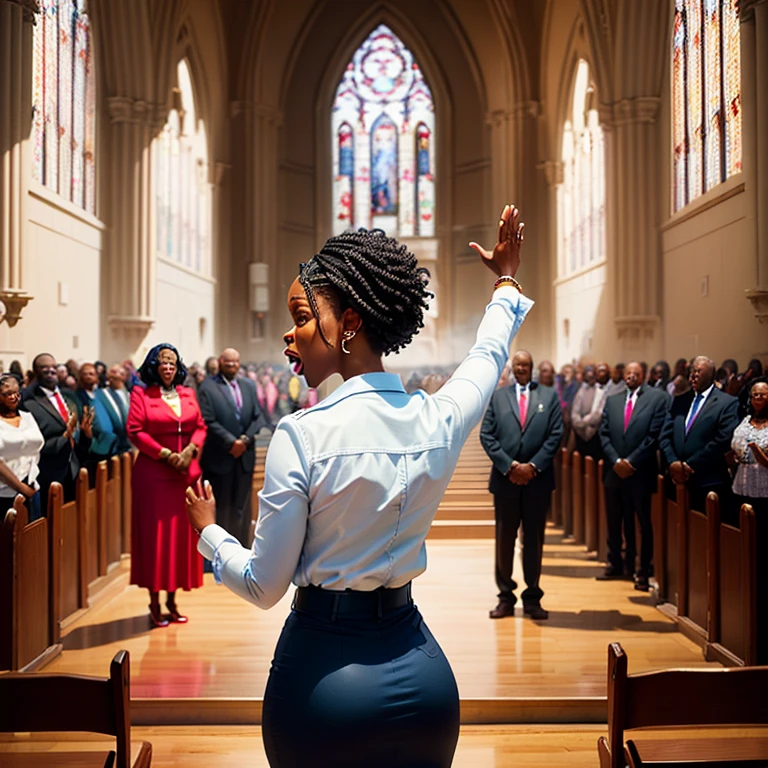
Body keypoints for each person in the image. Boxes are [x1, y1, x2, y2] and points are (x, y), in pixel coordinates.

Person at [184, 205, 531, 768]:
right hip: (425, 683)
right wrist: (507, 281)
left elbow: (263, 586)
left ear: (347, 323)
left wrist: (210, 534)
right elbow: (487, 358)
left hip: (325, 684)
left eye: (301, 314)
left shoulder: (302, 435)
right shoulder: (436, 418)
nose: (287, 332)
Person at [127, 344, 207, 628]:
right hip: (153, 477)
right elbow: (135, 430)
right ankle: (154, 602)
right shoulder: (141, 394)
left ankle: (173, 601)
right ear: (154, 366)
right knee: (156, 540)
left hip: (184, 476)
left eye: (173, 363)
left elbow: (200, 426)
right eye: (163, 363)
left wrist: (190, 451)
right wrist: (165, 454)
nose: (168, 367)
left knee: (180, 540)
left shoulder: (187, 393)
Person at [480, 349, 564, 620]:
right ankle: (505, 597)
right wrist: (510, 466)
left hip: (537, 482)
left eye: (526, 365)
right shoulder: (499, 396)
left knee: (534, 540)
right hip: (506, 481)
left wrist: (533, 467)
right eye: (517, 365)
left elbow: (555, 435)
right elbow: (487, 435)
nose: (521, 369)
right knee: (505, 540)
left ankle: (532, 597)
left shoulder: (549, 396)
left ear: (532, 368)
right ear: (512, 368)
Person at [598, 362, 668, 589]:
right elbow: (604, 433)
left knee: (642, 522)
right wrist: (616, 461)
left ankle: (643, 569)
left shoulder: (657, 398)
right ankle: (617, 563)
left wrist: (631, 462)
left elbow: (653, 435)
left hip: (641, 471)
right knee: (616, 518)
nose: (631, 377)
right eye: (628, 373)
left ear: (643, 376)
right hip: (615, 471)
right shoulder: (613, 399)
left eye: (635, 374)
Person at [198, 348, 270, 547]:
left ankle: (241, 552)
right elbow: (208, 420)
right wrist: (232, 443)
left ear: (239, 364)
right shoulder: (207, 387)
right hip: (220, 457)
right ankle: (218, 553)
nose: (232, 366)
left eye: (235, 362)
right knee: (221, 509)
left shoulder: (248, 385)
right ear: (221, 362)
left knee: (242, 509)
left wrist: (244, 440)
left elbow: (258, 416)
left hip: (244, 456)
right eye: (227, 362)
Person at [659, 355, 739, 514]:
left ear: (711, 375)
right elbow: (664, 434)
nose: (693, 375)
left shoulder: (727, 402)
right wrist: (673, 462)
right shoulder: (680, 400)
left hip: (707, 482)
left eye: (699, 371)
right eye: (692, 371)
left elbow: (722, 439)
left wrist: (689, 466)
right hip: (675, 480)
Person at [22, 353, 93, 514]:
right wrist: (64, 436)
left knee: (72, 519)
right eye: (45, 368)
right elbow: (35, 445)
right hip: (48, 472)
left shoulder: (67, 397)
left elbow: (73, 435)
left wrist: (85, 435)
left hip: (72, 468)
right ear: (36, 372)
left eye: (53, 367)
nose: (51, 371)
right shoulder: (30, 404)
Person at [730, 377, 768, 663]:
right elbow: (737, 450)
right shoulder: (745, 421)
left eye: (763, 395)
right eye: (754, 394)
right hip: (742, 488)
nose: (758, 399)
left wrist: (757, 453)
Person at [0, 374, 44, 517]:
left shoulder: (27, 417)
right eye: (7, 394)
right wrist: (22, 488)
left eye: (16, 392)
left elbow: (36, 448)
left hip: (31, 484)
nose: (13, 397)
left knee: (33, 535)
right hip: (5, 491)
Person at [76, 362, 120, 479]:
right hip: (93, 450)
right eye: (85, 374)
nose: (88, 376)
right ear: (80, 377)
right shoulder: (78, 397)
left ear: (96, 377)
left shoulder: (101, 395)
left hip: (111, 447)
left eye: (91, 374)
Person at [570, 364, 607, 460]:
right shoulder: (580, 391)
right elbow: (574, 411)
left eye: (592, 376)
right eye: (588, 376)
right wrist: (578, 423)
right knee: (580, 462)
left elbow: (599, 412)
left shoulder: (601, 392)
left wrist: (585, 422)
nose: (590, 378)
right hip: (579, 432)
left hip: (594, 433)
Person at [96, 364, 132, 455]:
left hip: (128, 445)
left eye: (117, 372)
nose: (114, 375)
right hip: (109, 446)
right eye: (112, 372)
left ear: (124, 376)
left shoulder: (129, 395)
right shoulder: (100, 394)